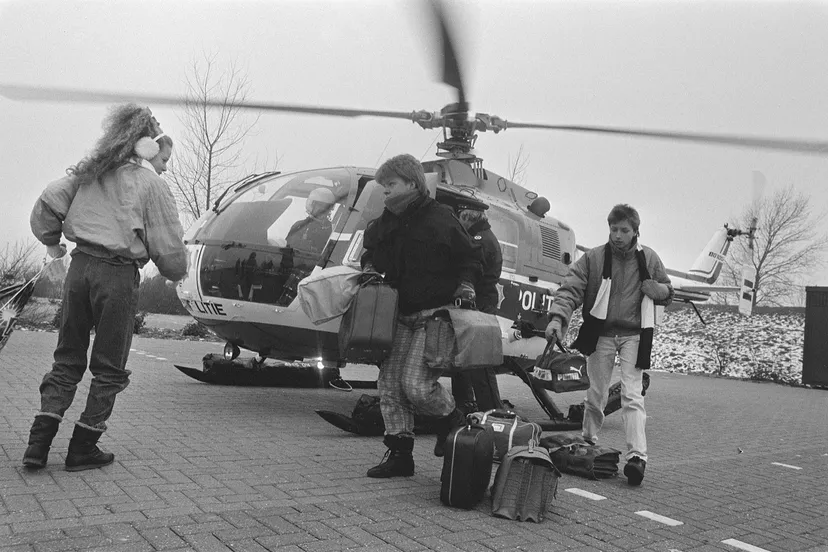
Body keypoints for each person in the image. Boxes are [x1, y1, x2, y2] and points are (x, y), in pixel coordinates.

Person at [24, 104, 187, 472]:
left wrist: (52, 240)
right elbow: (172, 257)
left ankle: (37, 446)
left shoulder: (91, 173)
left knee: (67, 359)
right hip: (116, 276)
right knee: (109, 367)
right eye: (164, 157)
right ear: (147, 149)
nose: (166, 165)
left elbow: (48, 201)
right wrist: (176, 270)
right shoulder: (152, 186)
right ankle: (83, 447)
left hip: (78, 271)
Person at [360, 153, 482, 478]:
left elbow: (471, 257)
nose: (385, 191)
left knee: (416, 386)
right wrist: (369, 269)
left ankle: (452, 419)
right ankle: (400, 456)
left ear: (412, 183)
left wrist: (467, 285)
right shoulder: (387, 221)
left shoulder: (441, 218)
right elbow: (369, 252)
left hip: (435, 315)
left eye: (391, 184)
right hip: (400, 314)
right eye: (383, 185)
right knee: (389, 385)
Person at [544, 204, 673, 486]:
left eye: (623, 230)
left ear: (635, 232)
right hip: (600, 333)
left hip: (634, 335)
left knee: (632, 394)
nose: (617, 235)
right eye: (613, 229)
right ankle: (588, 439)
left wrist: (658, 290)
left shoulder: (649, 258)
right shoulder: (594, 258)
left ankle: (637, 457)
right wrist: (557, 318)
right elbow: (570, 289)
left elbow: (667, 290)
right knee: (596, 394)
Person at [450, 206, 505, 412]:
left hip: (480, 303)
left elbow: (474, 272)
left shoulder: (480, 241)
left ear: (467, 218)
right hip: (481, 302)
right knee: (467, 358)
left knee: (479, 361)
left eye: (460, 219)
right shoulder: (485, 236)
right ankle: (468, 403)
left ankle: (490, 409)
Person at [285, 187, 336, 255]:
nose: (323, 209)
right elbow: (287, 251)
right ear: (311, 205)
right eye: (320, 205)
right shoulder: (300, 226)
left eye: (327, 206)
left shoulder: (333, 229)